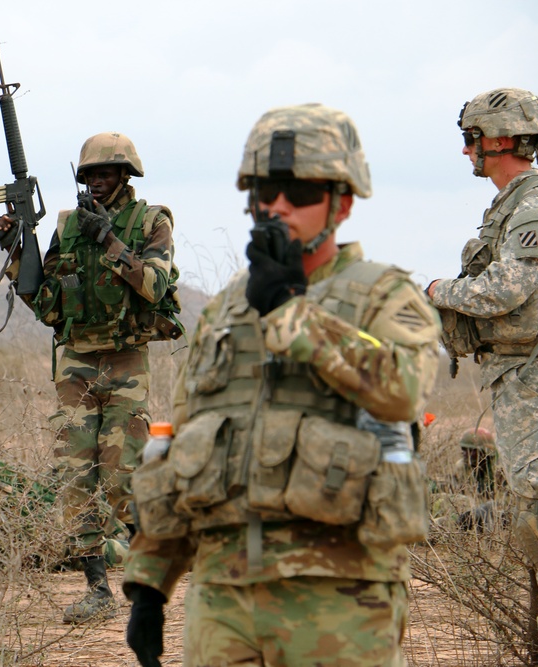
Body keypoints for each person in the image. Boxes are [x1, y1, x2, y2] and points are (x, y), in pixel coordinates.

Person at [121, 104, 440, 666]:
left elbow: (403, 388)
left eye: (302, 192)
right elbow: (181, 447)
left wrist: (291, 313)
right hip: (222, 597)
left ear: (341, 202)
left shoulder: (383, 296)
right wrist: (150, 581)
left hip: (340, 597)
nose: (279, 206)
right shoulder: (225, 309)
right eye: (267, 190)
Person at [0, 131, 184, 624]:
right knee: (75, 476)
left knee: (124, 478)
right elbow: (48, 305)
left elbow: (155, 284)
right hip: (76, 363)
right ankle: (97, 590)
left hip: (125, 360)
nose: (96, 183)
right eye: (90, 176)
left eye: (105, 174)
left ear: (125, 176)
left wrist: (110, 240)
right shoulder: (69, 226)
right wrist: (15, 254)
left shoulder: (151, 221)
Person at [427, 87, 538, 666]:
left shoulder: (536, 206)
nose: (467, 152)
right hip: (527, 377)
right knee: (537, 522)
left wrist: (437, 291)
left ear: (497, 141)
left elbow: (506, 289)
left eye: (471, 140)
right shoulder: (524, 202)